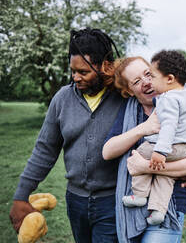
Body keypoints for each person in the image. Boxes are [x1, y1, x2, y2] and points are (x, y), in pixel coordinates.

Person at [9, 28, 125, 242]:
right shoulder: (62, 99)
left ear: (103, 67)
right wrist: (21, 195)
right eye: (73, 71)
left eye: (83, 72)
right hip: (76, 201)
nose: (76, 78)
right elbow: (44, 150)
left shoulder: (124, 98)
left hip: (113, 201)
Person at [102, 56, 186, 242]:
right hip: (130, 212)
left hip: (169, 208)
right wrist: (144, 128)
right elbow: (108, 151)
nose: (146, 82)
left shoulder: (180, 107)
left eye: (148, 74)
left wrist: (144, 167)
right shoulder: (129, 111)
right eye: (136, 81)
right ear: (129, 91)